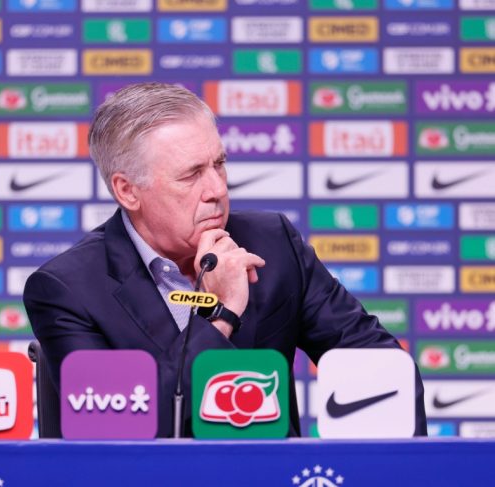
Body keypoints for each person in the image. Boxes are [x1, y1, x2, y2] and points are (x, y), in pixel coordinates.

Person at [23, 82, 427, 437]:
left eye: (219, 164)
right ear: (128, 191)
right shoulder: (68, 289)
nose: (217, 189)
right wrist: (221, 315)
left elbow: (379, 362)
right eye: (191, 175)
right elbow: (121, 426)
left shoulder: (273, 243)